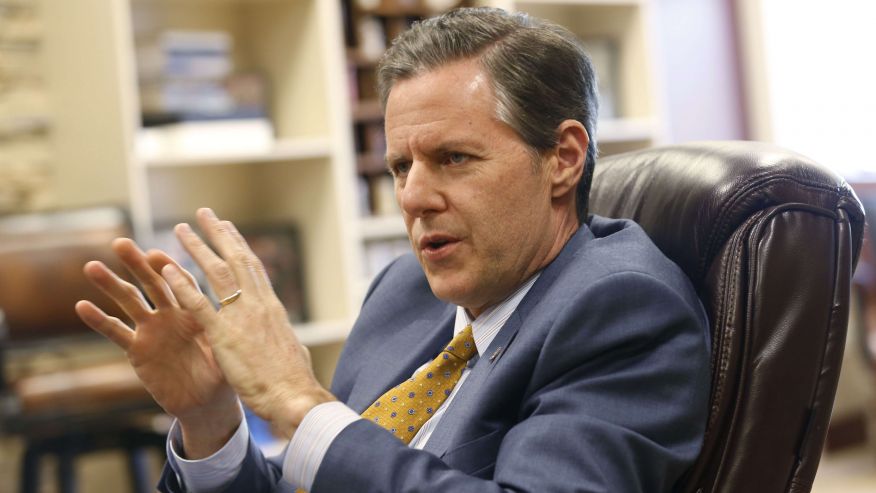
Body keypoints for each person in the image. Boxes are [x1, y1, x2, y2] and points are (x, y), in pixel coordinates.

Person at [76, 7, 710, 492]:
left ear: (563, 159)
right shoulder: (402, 291)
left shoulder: (622, 307)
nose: (413, 197)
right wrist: (212, 421)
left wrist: (301, 404)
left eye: (453, 158)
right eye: (400, 166)